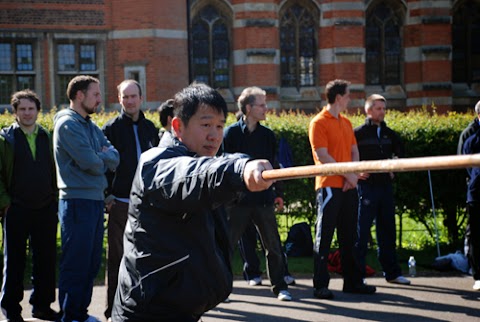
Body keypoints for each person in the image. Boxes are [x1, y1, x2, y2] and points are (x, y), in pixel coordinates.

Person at [111, 82, 275, 321]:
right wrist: (239, 169)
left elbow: (211, 169)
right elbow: (194, 174)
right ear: (178, 126)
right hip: (147, 312)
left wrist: (242, 167)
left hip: (183, 310)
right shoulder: (156, 164)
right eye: (206, 124)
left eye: (220, 126)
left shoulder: (203, 159)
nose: (214, 135)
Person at [53, 75, 120, 322]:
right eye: (96, 94)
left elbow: (115, 157)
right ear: (79, 95)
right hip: (76, 203)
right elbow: (91, 162)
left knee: (91, 263)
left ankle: (80, 313)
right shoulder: (67, 125)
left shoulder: (90, 126)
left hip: (94, 202)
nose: (100, 99)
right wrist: (101, 156)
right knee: (76, 263)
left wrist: (100, 156)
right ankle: (70, 316)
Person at [222, 86, 292, 301]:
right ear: (249, 108)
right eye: (262, 104)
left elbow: (274, 166)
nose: (266, 108)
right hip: (238, 202)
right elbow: (223, 165)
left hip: (263, 200)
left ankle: (280, 287)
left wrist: (278, 193)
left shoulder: (268, 135)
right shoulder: (230, 133)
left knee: (273, 246)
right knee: (226, 246)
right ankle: (220, 288)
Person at [308, 79, 376, 300]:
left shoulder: (346, 123)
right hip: (328, 186)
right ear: (338, 98)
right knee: (324, 236)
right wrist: (351, 176)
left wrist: (353, 176)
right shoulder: (319, 122)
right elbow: (322, 155)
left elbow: (354, 151)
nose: (350, 99)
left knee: (350, 237)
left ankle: (353, 282)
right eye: (348, 95)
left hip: (348, 186)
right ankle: (320, 285)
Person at [102, 79, 159, 321]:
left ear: (141, 97)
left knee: (147, 258)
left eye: (134, 96)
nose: (130, 101)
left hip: (147, 205)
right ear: (119, 99)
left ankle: (142, 307)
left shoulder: (151, 129)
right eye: (125, 97)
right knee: (116, 258)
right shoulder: (110, 129)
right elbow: (103, 166)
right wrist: (108, 195)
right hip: (121, 203)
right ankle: (111, 310)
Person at [0, 90, 59, 322]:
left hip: (45, 208)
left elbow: (54, 171)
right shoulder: (6, 140)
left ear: (37, 111)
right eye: (22, 109)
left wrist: (54, 198)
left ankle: (42, 306)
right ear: (15, 112)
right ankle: (12, 310)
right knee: (14, 261)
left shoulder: (47, 136)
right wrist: (6, 204)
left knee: (45, 260)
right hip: (16, 209)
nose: (27, 113)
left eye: (31, 109)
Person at [354, 94, 410, 285]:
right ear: (368, 110)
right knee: (361, 232)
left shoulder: (389, 133)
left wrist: (395, 167)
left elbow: (401, 152)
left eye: (384, 109)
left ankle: (392, 273)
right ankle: (357, 275)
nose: (382, 112)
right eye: (378, 108)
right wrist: (356, 172)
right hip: (366, 188)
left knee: (388, 230)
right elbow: (347, 155)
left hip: (385, 187)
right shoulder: (358, 133)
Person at [460, 100, 480, 291]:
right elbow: (464, 163)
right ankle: (478, 274)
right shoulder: (471, 137)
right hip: (477, 192)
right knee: (476, 234)